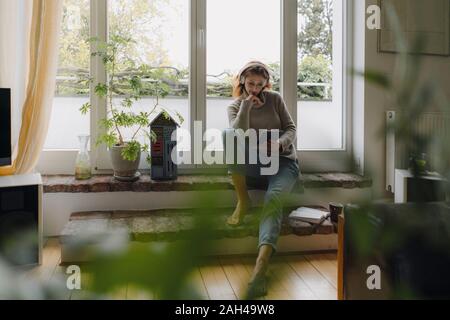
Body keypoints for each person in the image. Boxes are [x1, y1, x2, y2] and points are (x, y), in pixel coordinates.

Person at [222, 61, 300, 298]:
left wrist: (279, 143)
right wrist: (246, 106)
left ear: (266, 83)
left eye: (260, 84)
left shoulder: (275, 99)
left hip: (283, 163)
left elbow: (291, 128)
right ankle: (243, 200)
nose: (255, 88)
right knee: (229, 136)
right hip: (255, 166)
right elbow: (239, 133)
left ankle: (260, 268)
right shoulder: (235, 106)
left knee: (273, 198)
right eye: (251, 83)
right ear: (243, 81)